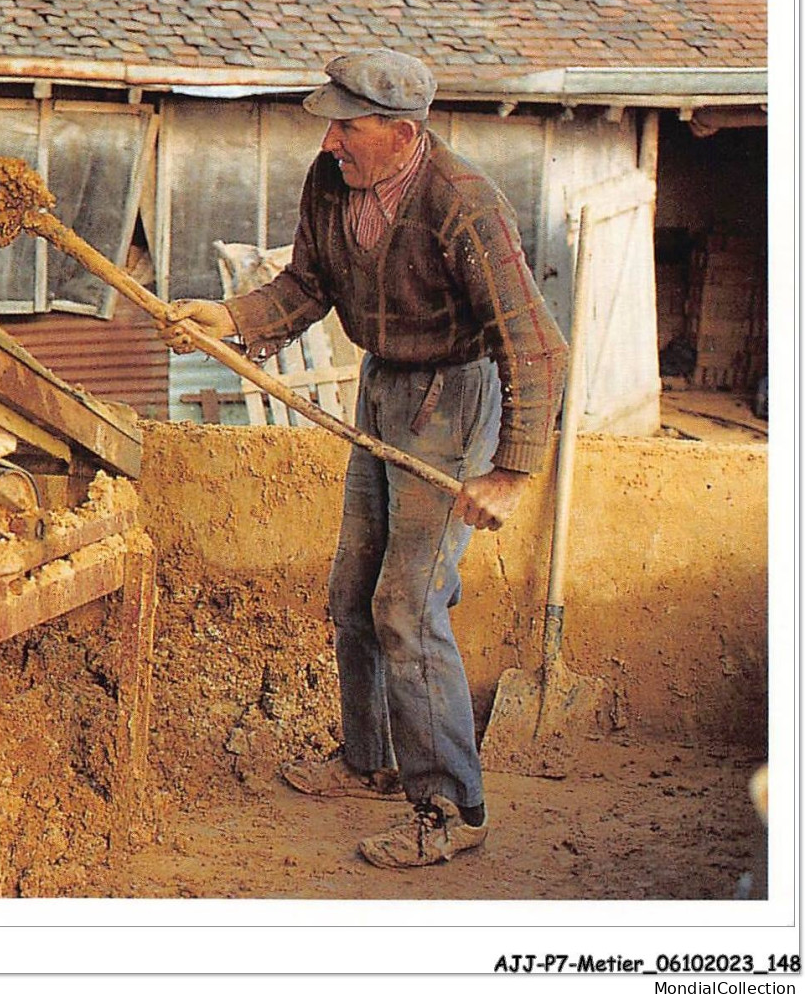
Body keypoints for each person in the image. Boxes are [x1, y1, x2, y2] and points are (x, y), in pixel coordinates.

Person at [161, 48, 567, 868]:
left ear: (400, 131)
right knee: (353, 591)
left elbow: (536, 349)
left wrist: (511, 473)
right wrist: (229, 317)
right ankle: (369, 756)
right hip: (384, 386)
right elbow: (307, 286)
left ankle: (451, 805)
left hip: (455, 398)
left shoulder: (463, 203)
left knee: (407, 607)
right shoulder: (330, 183)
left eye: (345, 126)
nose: (329, 141)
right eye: (328, 124)